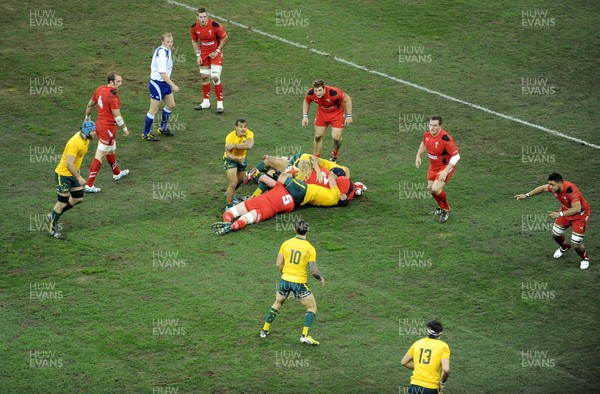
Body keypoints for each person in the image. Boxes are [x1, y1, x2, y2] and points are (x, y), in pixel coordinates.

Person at [260, 218, 325, 345]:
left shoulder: (286, 243)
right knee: (312, 307)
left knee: (278, 303)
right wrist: (320, 279)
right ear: (307, 230)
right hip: (298, 283)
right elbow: (313, 270)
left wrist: (284, 273)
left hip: (284, 280)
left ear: (294, 229)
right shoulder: (310, 248)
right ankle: (304, 335)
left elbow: (278, 263)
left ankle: (264, 330)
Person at [515, 172, 591, 270]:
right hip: (565, 211)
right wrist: (527, 195)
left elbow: (577, 208)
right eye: (549, 184)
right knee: (555, 234)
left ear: (560, 183)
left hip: (580, 215)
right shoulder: (555, 188)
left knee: (576, 243)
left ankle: (584, 258)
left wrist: (560, 214)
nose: (550, 187)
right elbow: (542, 188)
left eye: (552, 185)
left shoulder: (571, 191)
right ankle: (564, 247)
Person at [47, 121, 97, 239]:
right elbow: (69, 164)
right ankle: (52, 228)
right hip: (63, 174)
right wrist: (79, 177)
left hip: (73, 174)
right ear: (87, 131)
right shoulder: (75, 142)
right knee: (62, 201)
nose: (95, 133)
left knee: (78, 198)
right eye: (93, 130)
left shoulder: (86, 140)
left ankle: (54, 215)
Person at [83, 72, 130, 192]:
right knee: (100, 154)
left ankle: (117, 173)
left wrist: (87, 117)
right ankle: (89, 185)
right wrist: (125, 129)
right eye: (118, 81)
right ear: (111, 82)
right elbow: (117, 116)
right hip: (107, 128)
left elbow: (90, 104)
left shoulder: (99, 89)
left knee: (111, 149)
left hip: (99, 125)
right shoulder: (112, 96)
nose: (121, 83)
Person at [415, 115, 460, 224]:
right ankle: (441, 207)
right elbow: (423, 143)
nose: (432, 128)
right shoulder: (427, 134)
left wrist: (445, 171)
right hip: (433, 167)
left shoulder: (446, 138)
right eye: (430, 125)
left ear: (440, 126)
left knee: (435, 189)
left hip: (444, 168)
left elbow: (456, 156)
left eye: (435, 126)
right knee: (430, 188)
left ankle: (446, 209)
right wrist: (418, 156)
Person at [211, 181, 294, 235]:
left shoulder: (280, 186)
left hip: (259, 200)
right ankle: (232, 226)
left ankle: (227, 221)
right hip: (268, 211)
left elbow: (264, 178)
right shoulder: (291, 205)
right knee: (246, 218)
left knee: (231, 212)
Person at [302, 79, 353, 161]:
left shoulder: (334, 92)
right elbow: (306, 101)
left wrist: (349, 116)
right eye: (316, 91)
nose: (318, 93)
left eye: (320, 90)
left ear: (324, 88)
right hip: (322, 114)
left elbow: (347, 99)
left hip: (337, 114)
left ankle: (334, 157)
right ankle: (316, 159)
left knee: (336, 138)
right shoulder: (310, 93)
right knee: (318, 137)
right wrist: (305, 116)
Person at [142, 33, 180, 142]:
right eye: (168, 42)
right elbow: (162, 73)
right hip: (157, 83)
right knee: (153, 110)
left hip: (164, 83)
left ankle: (162, 128)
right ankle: (145, 133)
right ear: (162, 42)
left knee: (171, 104)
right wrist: (173, 85)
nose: (170, 44)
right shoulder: (162, 53)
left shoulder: (167, 50)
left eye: (171, 41)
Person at [190, 7, 228, 113]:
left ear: (207, 16)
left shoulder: (215, 25)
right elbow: (194, 41)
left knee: (215, 77)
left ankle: (220, 104)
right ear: (197, 17)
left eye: (204, 17)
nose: (203, 19)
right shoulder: (194, 27)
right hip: (204, 53)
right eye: (201, 17)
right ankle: (206, 102)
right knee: (204, 77)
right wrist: (198, 55)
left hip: (216, 52)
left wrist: (217, 51)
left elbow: (225, 38)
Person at [401, 319, 450, 394]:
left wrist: (420, 367)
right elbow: (446, 369)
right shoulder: (443, 346)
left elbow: (404, 362)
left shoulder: (417, 343)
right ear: (440, 333)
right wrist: (442, 383)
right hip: (430, 388)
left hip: (414, 386)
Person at [223, 119, 254, 209]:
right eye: (241, 127)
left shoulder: (249, 133)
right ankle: (228, 206)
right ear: (236, 127)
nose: (243, 129)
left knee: (242, 180)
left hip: (242, 159)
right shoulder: (230, 137)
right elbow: (228, 154)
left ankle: (228, 193)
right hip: (230, 160)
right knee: (233, 183)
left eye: (245, 126)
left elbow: (249, 146)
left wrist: (234, 146)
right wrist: (237, 158)